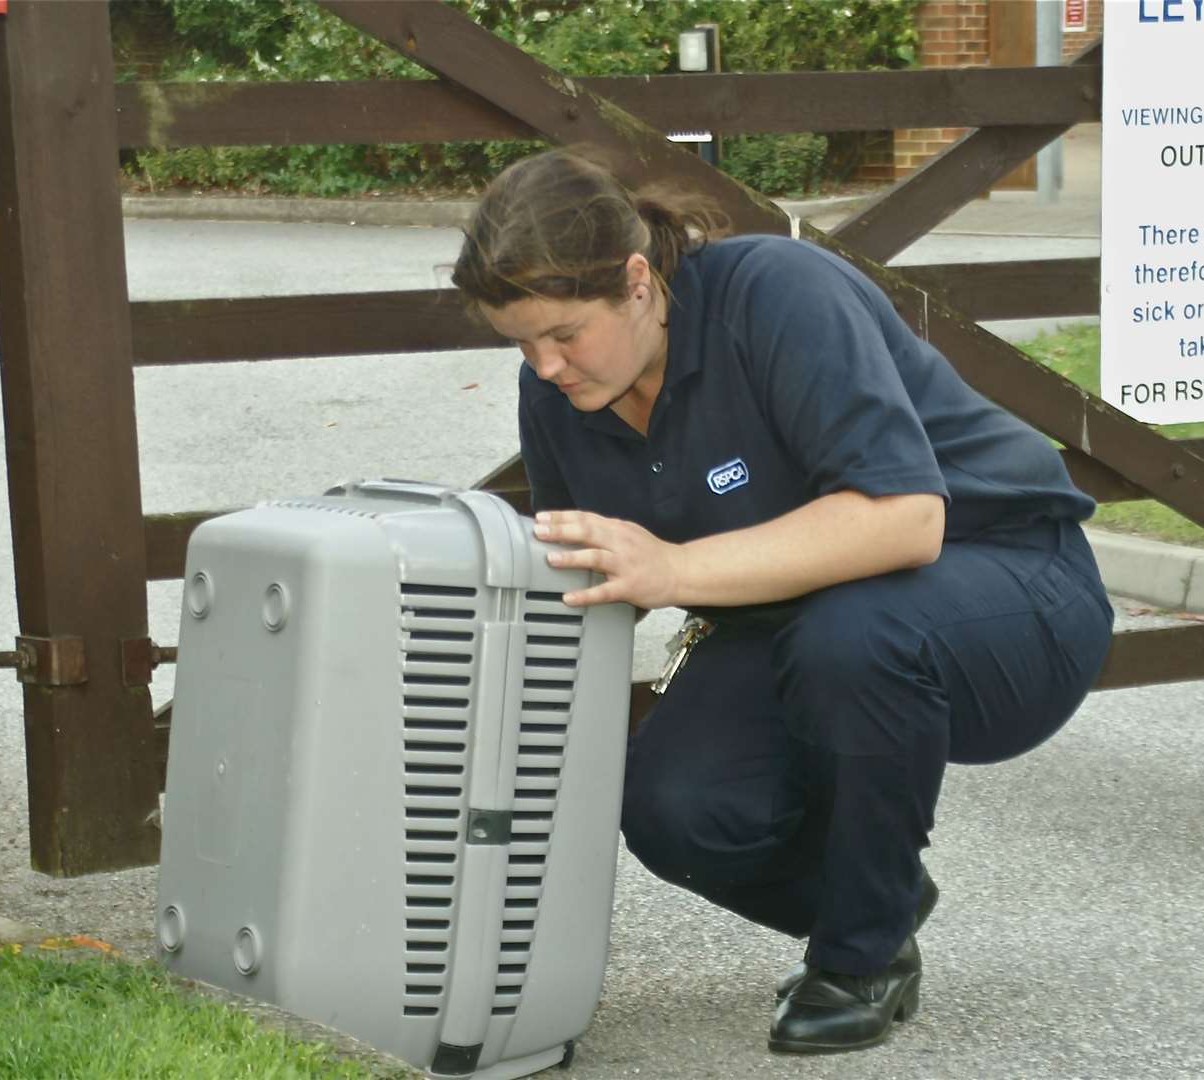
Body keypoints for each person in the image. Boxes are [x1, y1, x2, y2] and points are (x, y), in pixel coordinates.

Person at [452, 149, 1113, 1056]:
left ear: (637, 281)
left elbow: (907, 522)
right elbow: (590, 586)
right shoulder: (556, 394)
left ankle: (858, 959)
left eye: (564, 333)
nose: (545, 364)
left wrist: (676, 570)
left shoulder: (778, 292)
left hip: (1012, 591)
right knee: (670, 810)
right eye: (520, 343)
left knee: (856, 635)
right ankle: (871, 894)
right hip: (804, 616)